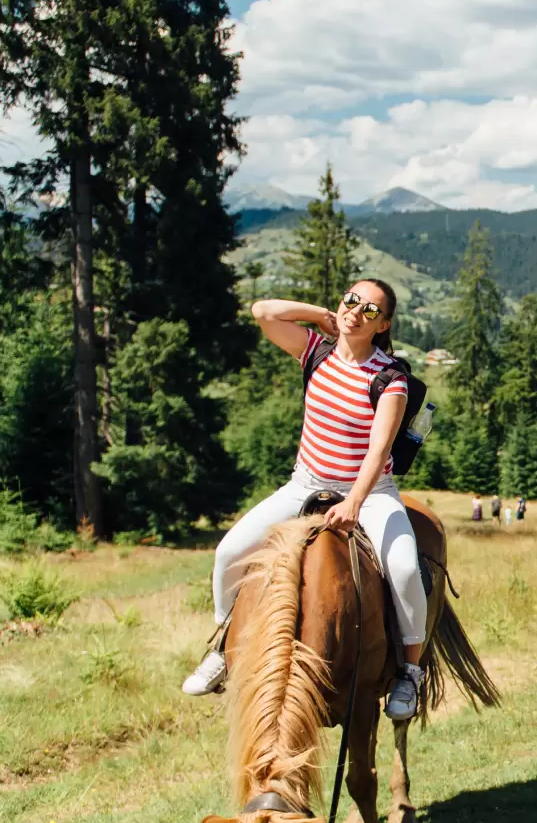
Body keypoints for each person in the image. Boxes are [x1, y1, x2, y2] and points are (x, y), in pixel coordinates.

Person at [181, 279, 432, 720]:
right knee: (229, 552)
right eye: (351, 300)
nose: (356, 311)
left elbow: (379, 449)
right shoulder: (315, 350)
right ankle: (224, 646)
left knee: (406, 568)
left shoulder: (390, 378)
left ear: (384, 324)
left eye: (370, 310)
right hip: (305, 484)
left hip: (371, 493)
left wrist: (354, 501)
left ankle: (410, 672)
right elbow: (263, 312)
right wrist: (320, 315)